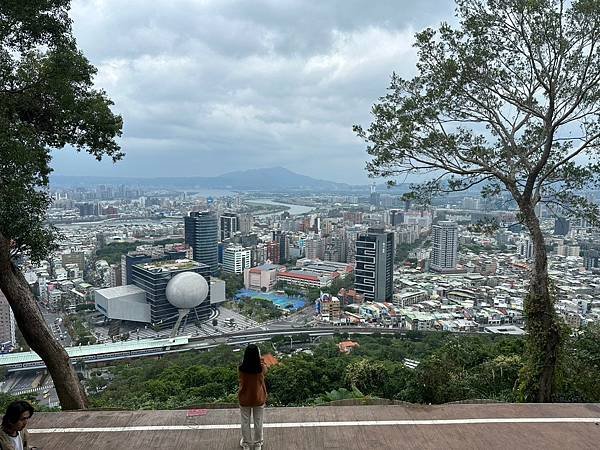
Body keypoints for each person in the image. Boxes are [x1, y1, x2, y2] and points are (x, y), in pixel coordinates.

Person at [238, 344, 268, 450]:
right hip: (258, 398)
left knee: (245, 421)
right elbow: (266, 371)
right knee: (258, 421)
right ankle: (258, 443)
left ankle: (246, 443)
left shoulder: (241, 367)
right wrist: (260, 358)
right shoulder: (261, 368)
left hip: (244, 397)